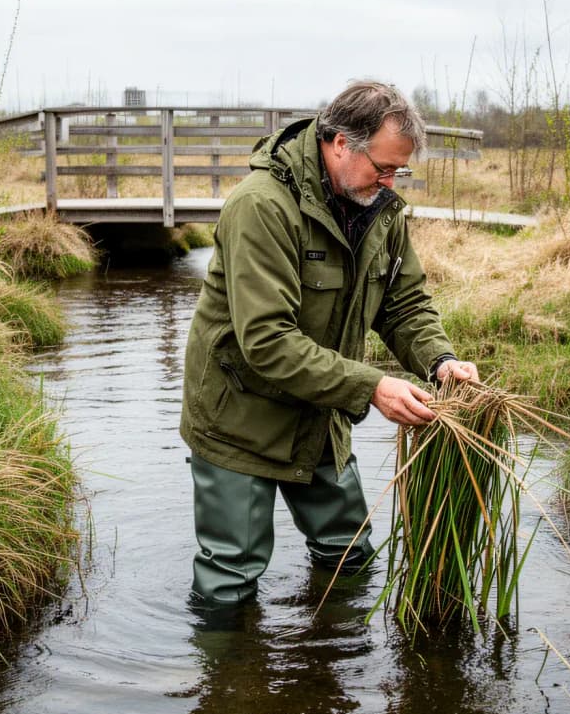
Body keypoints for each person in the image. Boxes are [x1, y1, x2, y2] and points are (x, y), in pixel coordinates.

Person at [179, 79, 478, 606]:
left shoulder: (379, 211)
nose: (389, 182)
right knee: (230, 579)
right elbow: (267, 340)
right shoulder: (261, 206)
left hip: (320, 413)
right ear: (340, 142)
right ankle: (231, 659)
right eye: (382, 167)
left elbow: (403, 304)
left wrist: (441, 361)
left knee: (350, 555)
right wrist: (373, 387)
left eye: (399, 171)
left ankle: (335, 652)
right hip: (239, 420)